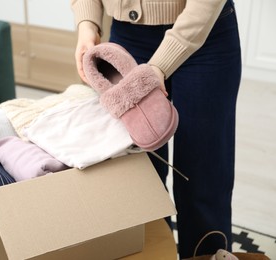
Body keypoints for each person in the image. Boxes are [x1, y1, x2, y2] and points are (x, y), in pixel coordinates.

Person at [71, 0, 242, 258]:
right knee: (140, 181)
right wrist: (87, 23)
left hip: (204, 33)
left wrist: (159, 66)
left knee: (202, 181)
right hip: (128, 41)